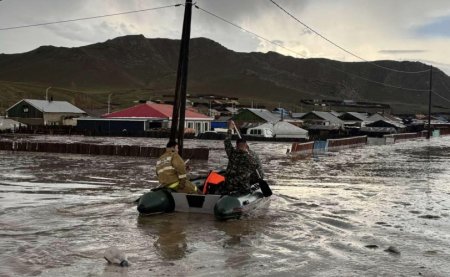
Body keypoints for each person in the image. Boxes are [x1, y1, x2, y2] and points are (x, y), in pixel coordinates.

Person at [221, 121, 259, 195]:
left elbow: (255, 166)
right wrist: (230, 129)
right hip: (230, 185)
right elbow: (227, 142)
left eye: (242, 145)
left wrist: (230, 129)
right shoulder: (233, 154)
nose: (241, 147)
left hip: (241, 187)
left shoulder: (246, 156)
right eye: (241, 145)